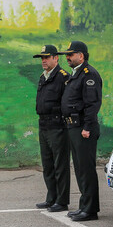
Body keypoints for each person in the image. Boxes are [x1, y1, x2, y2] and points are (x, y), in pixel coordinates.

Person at [58, 41, 102, 221]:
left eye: (71, 54)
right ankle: (84, 205)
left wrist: (87, 127)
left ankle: (90, 210)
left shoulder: (88, 74)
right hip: (73, 127)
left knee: (86, 169)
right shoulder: (76, 75)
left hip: (83, 128)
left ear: (81, 56)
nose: (67, 57)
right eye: (66, 55)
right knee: (79, 168)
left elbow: (92, 104)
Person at [33, 45, 71, 212]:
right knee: (47, 164)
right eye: (42, 58)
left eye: (47, 57)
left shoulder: (63, 77)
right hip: (44, 125)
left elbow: (67, 103)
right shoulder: (43, 77)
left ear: (56, 58)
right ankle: (51, 197)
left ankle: (62, 201)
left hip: (57, 126)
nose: (44, 61)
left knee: (60, 165)